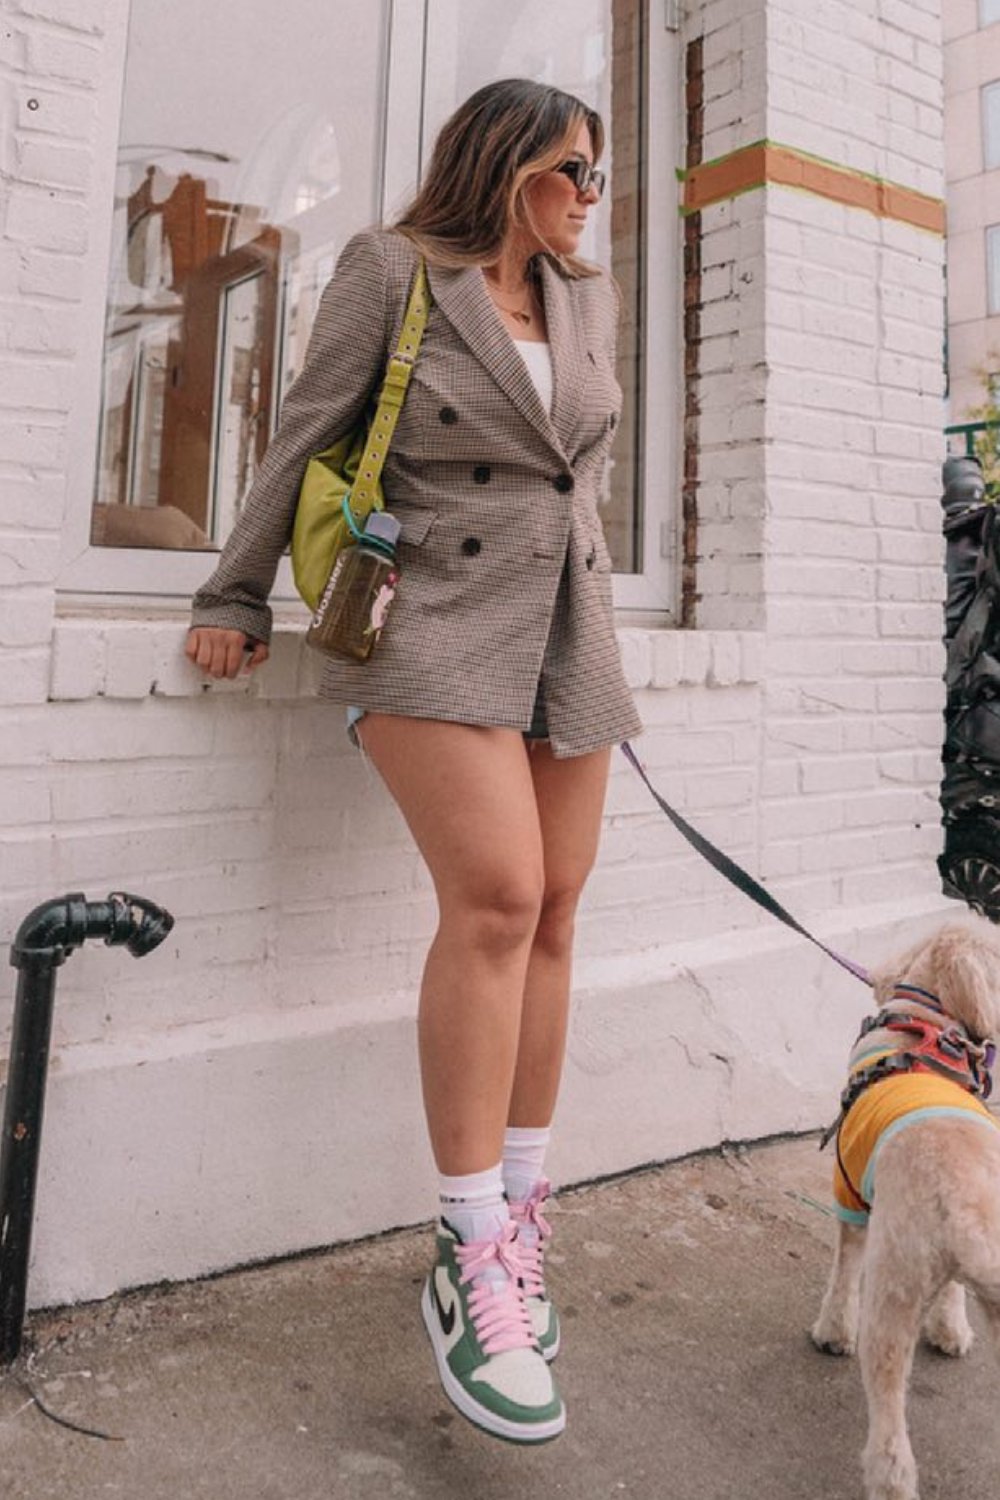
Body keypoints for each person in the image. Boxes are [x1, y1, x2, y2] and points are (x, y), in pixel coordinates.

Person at [186, 77, 642, 1444]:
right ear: (506, 168)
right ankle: (461, 1247)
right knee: (498, 898)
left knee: (558, 914)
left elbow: (583, 478)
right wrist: (231, 597)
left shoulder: (587, 297)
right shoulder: (393, 271)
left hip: (570, 623)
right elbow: (307, 433)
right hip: (428, 613)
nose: (587, 199)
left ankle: (517, 1224)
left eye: (597, 180)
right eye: (572, 172)